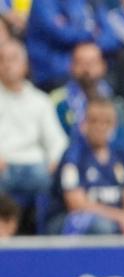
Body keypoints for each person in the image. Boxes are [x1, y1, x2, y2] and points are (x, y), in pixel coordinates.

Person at [0, 40, 69, 234]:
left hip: (35, 167)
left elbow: (57, 141)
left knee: (53, 183)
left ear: (25, 65)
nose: (7, 65)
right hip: (4, 166)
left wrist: (55, 160)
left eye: (12, 59)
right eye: (1, 60)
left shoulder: (40, 101)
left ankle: (44, 237)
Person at [46, 98, 124, 235]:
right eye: (94, 121)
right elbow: (76, 204)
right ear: (84, 124)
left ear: (114, 125)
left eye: (107, 122)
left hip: (114, 219)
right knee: (101, 227)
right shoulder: (73, 156)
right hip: (69, 221)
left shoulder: (122, 155)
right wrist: (118, 216)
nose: (100, 127)